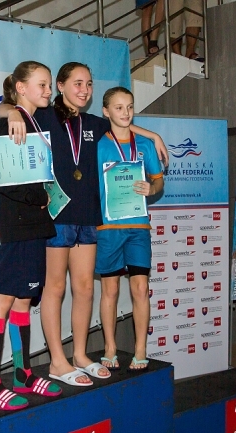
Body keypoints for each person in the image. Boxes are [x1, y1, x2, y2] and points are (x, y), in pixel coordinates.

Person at [0, 63, 167, 385]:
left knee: (86, 288)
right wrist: (14, 114)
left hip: (88, 217)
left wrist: (153, 135)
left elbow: (123, 123)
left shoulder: (92, 123)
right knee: (55, 288)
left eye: (88, 84)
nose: (84, 90)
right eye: (77, 83)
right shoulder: (43, 115)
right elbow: (2, 108)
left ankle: (79, 354)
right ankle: (57, 361)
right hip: (57, 217)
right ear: (61, 86)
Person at [0, 61, 63, 411]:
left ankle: (22, 374)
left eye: (49, 85)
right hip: (18, 224)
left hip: (36, 225)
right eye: (41, 85)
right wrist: (32, 196)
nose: (48, 91)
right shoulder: (9, 123)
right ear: (21, 88)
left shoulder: (34, 121)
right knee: (3, 300)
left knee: (24, 300)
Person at [96, 87, 164, 370]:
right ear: (106, 111)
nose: (125, 113)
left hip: (138, 226)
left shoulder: (145, 145)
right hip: (108, 226)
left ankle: (140, 349)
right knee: (110, 290)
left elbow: (159, 181)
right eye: (119, 107)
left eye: (130, 107)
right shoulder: (97, 144)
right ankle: (110, 348)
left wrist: (152, 188)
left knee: (140, 287)